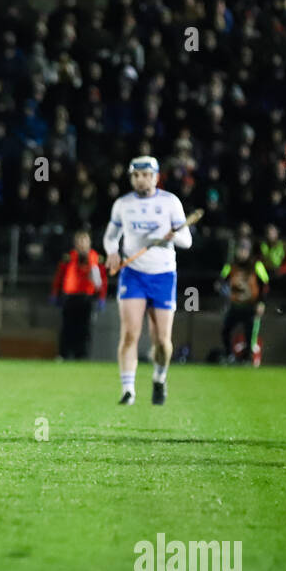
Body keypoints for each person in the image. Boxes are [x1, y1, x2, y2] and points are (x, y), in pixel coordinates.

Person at [103, 156, 194, 405]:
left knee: (162, 343)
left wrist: (171, 236)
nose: (140, 179)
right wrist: (112, 252)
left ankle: (159, 378)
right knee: (130, 334)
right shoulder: (123, 204)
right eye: (135, 175)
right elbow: (111, 237)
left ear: (155, 177)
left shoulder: (170, 202)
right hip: (132, 273)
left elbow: (187, 241)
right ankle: (128, 390)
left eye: (144, 175)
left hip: (163, 275)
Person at [50, 230, 106, 360]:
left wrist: (101, 298)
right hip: (70, 297)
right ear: (75, 243)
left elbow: (102, 280)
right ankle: (63, 354)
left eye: (84, 241)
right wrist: (55, 293)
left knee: (85, 328)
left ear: (89, 243)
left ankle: (82, 355)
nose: (81, 244)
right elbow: (59, 277)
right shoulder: (69, 258)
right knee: (67, 327)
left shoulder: (96, 259)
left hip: (86, 297)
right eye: (79, 241)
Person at [217, 236, 269, 364]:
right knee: (225, 330)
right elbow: (221, 280)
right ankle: (229, 355)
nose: (242, 253)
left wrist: (261, 303)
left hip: (250, 306)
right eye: (240, 249)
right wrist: (222, 289)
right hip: (235, 305)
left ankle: (247, 358)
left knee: (250, 334)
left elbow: (265, 284)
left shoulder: (256, 265)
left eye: (244, 250)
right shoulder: (231, 265)